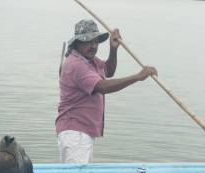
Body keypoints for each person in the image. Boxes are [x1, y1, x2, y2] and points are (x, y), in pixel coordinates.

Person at [56, 19, 157, 164]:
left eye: (96, 41)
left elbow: (108, 71)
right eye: (88, 42)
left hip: (83, 132)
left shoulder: (90, 60)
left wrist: (113, 49)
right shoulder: (75, 64)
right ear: (77, 43)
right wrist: (138, 77)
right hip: (75, 133)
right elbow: (102, 86)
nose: (93, 46)